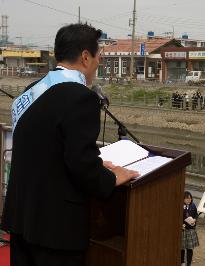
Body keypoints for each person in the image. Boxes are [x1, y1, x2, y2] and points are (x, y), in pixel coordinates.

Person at [1, 24, 139, 266]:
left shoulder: (32, 91)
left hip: (21, 218)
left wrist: (95, 162)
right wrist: (111, 176)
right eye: (99, 57)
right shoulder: (80, 97)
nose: (98, 64)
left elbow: (47, 150)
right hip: (56, 229)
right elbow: (80, 164)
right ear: (86, 57)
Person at [181, 191, 199, 266]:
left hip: (191, 230)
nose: (189, 200)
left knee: (190, 248)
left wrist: (194, 219)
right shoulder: (181, 206)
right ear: (183, 199)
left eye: (190, 198)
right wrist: (181, 224)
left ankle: (189, 263)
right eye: (187, 198)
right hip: (183, 230)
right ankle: (182, 262)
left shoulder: (193, 205)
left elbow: (196, 215)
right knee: (182, 248)